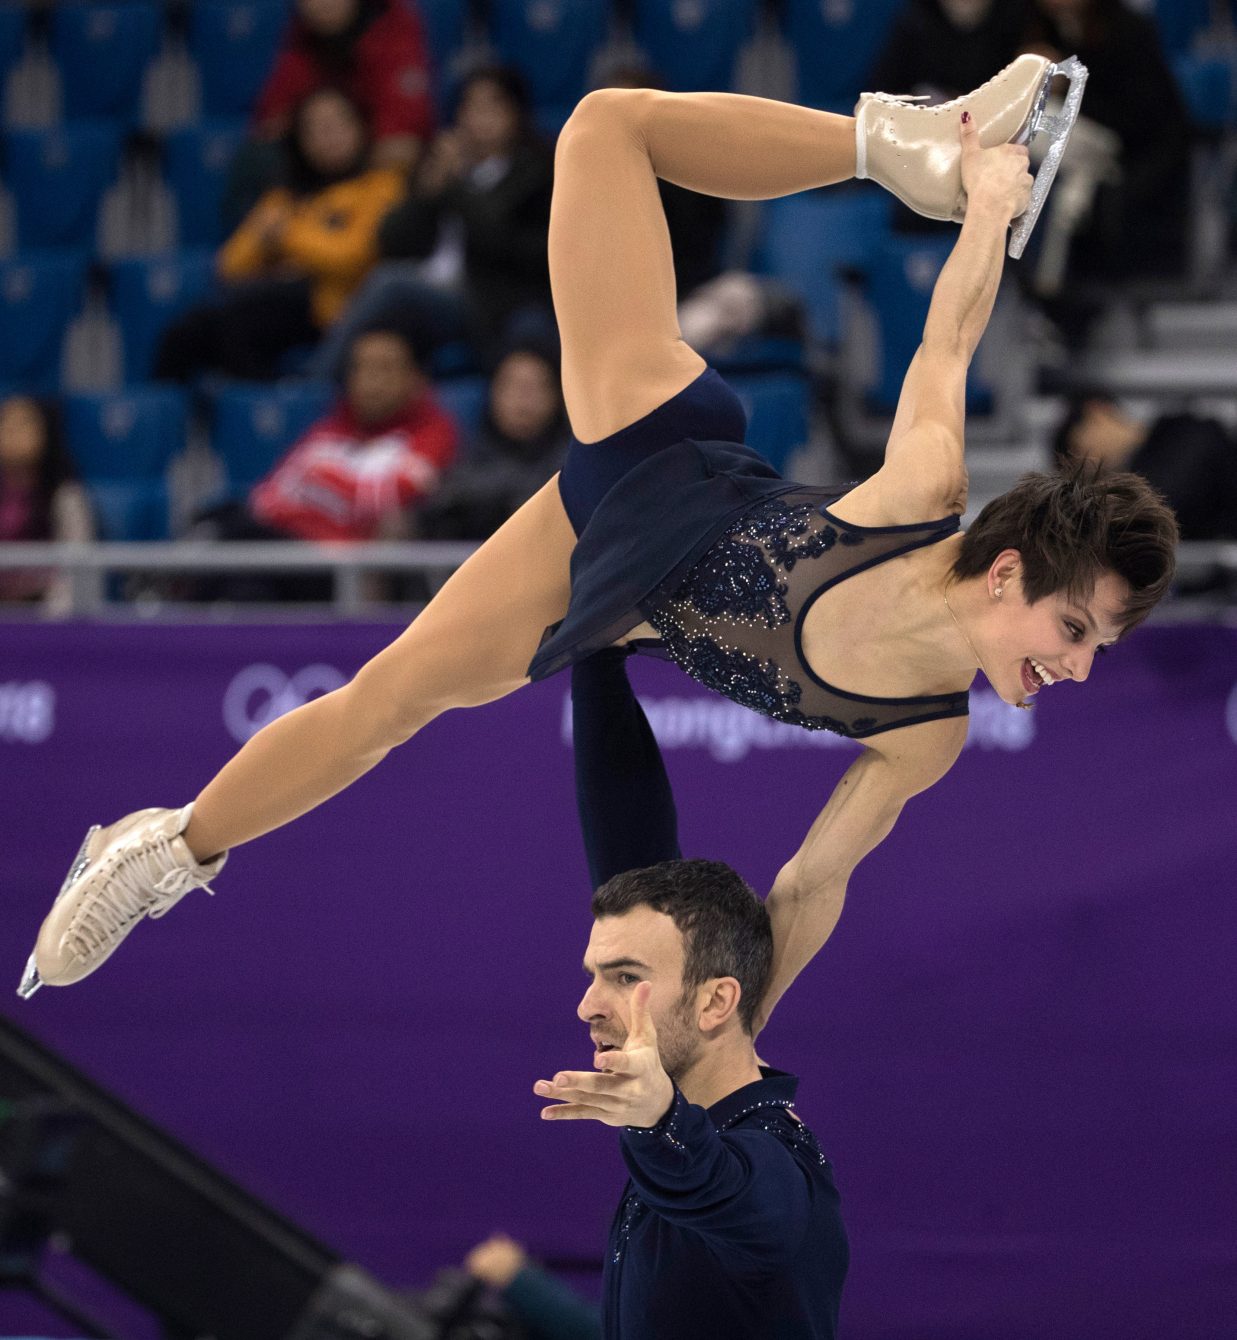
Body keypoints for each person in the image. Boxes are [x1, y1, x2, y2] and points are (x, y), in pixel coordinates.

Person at [21, 59, 1179, 1010]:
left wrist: (726, 1055)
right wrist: (980, 197)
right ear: (1011, 568)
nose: (1073, 664)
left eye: (1095, 651)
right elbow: (951, 335)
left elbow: (806, 889)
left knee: (394, 701)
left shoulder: (926, 737)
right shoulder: (923, 491)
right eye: (1071, 627)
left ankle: (169, 838)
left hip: (625, 589)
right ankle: (158, 856)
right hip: (659, 450)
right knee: (604, 128)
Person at [535, 859, 848, 1338]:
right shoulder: (701, 1132)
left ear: (715, 1003)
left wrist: (660, 1121)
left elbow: (718, 1181)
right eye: (592, 975)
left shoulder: (776, 1160)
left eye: (623, 977)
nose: (587, 1006)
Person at [309, 65, 556, 377]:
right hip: (430, 293)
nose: (481, 117)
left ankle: (313, 381)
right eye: (471, 106)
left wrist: (456, 188)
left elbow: (504, 242)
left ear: (517, 112)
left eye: (493, 105)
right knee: (378, 315)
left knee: (390, 284)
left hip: (494, 304)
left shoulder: (537, 173)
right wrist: (427, 192)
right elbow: (390, 240)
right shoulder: (440, 163)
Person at [156, 87, 406, 383]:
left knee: (241, 324)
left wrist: (286, 236)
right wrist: (283, 242)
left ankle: (262, 415)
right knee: (186, 332)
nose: (329, 136)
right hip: (277, 299)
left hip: (335, 310)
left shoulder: (382, 187)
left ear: (361, 128)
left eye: (338, 124)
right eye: (316, 128)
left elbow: (352, 255)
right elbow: (230, 265)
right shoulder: (286, 196)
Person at [417, 341, 569, 541]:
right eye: (513, 386)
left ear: (558, 395)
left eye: (536, 387)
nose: (523, 399)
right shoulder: (466, 460)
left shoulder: (574, 462)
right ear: (493, 392)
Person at [0, 396, 93, 610]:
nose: (11, 431)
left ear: (46, 432)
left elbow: (77, 560)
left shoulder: (65, 494)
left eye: (23, 423)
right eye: (5, 422)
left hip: (44, 610)